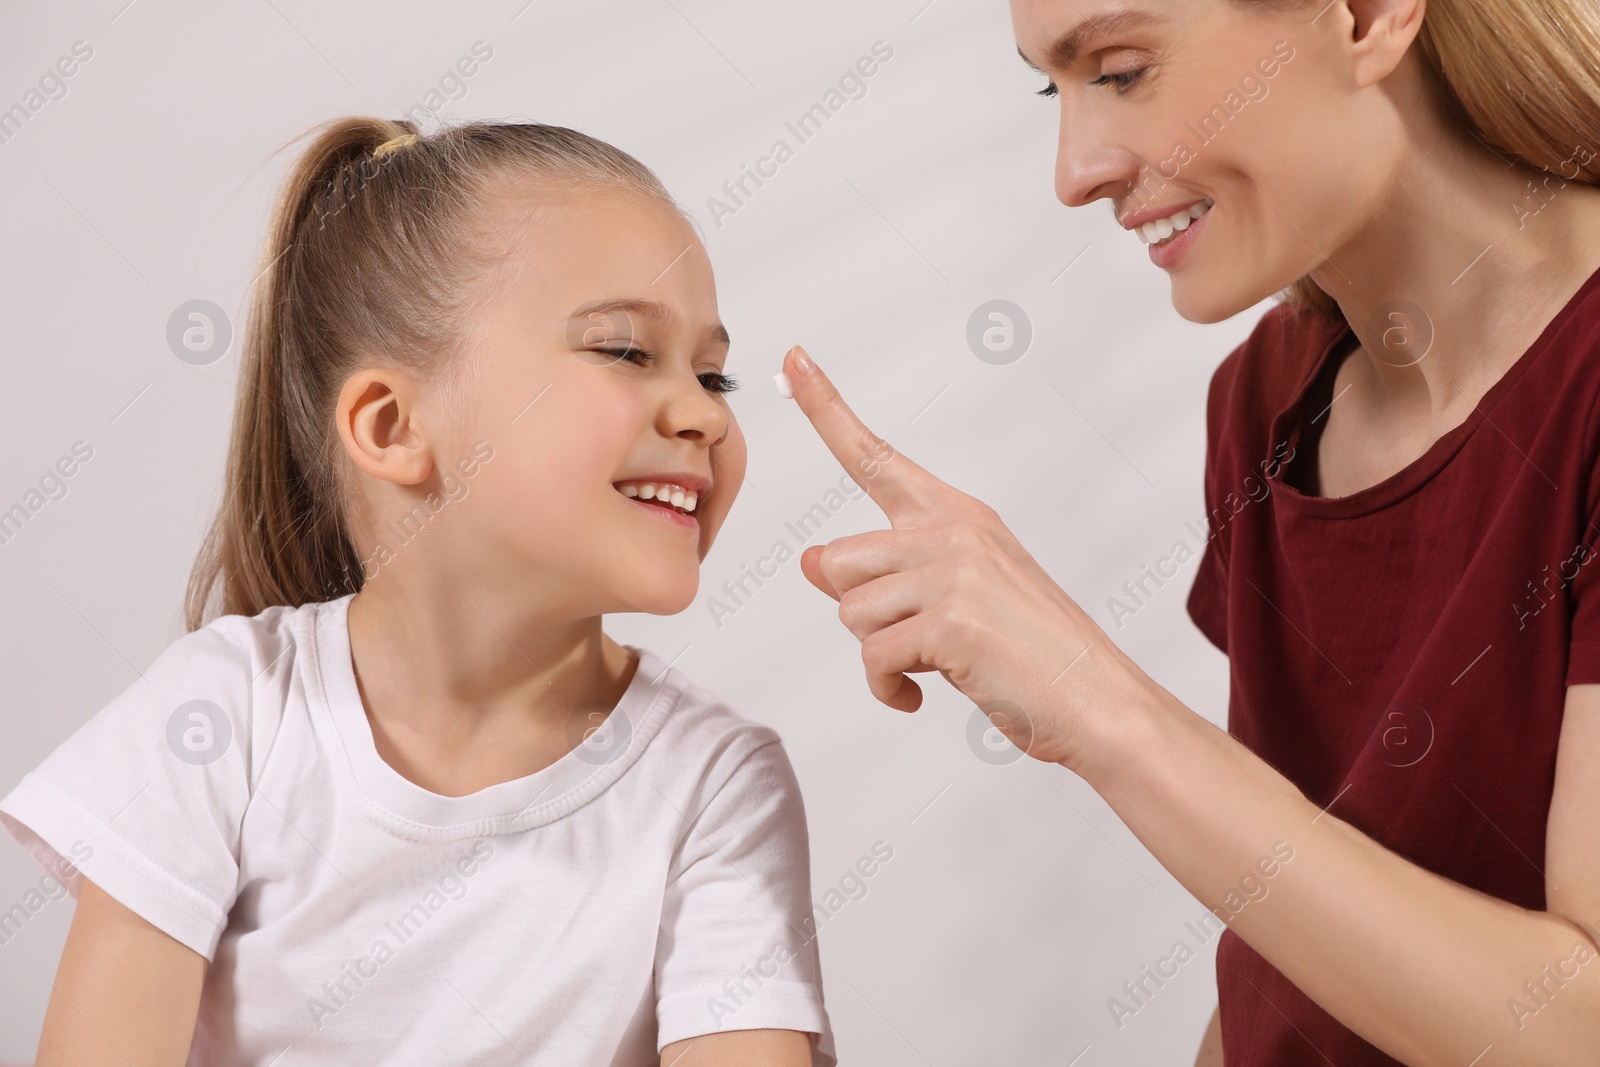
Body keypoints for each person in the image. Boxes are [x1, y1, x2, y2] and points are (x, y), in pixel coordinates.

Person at [775, 0, 1600, 1063]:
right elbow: (1294, 934)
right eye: (1049, 88)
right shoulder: (1271, 398)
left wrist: (1099, 705)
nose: (1072, 173)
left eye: (1119, 70)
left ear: (1367, 18)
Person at [0, 117, 834, 1067]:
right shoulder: (220, 717)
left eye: (713, 372)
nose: (702, 414)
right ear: (392, 426)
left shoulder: (716, 786)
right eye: (624, 351)